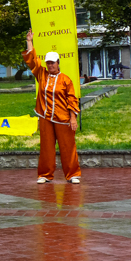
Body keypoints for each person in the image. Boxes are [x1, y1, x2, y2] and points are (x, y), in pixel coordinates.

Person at [23, 29, 81, 184]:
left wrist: (73, 117)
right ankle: (45, 175)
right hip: (45, 116)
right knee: (47, 147)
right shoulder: (41, 74)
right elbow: (32, 61)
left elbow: (72, 99)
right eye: (48, 62)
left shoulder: (66, 80)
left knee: (68, 146)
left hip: (63, 118)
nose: (50, 65)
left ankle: (73, 174)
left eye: (52, 62)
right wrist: (29, 41)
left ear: (58, 63)